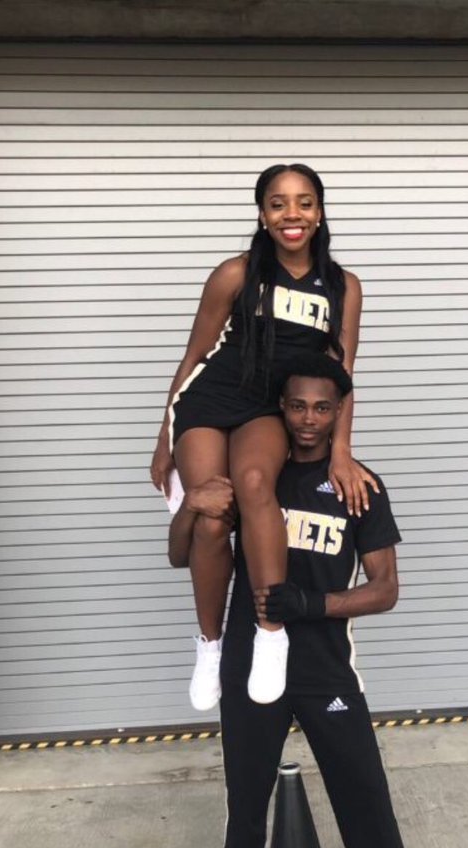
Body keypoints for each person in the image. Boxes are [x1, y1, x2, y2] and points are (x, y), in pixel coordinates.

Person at [168, 351, 451, 848]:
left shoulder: (358, 485)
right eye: (296, 405)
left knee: (363, 793)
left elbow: (385, 590)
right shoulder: (252, 475)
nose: (307, 420)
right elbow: (181, 556)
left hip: (324, 667)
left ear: (338, 411)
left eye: (322, 407)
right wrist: (192, 501)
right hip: (251, 660)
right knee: (246, 802)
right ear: (280, 406)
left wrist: (314, 604)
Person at [150, 163, 376, 711]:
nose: (291, 214)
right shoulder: (236, 272)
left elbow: (342, 372)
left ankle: (270, 632)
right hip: (211, 399)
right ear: (262, 213)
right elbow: (195, 355)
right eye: (278, 203)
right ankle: (210, 644)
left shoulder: (343, 286)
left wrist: (341, 450)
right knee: (210, 512)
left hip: (269, 404)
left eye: (303, 202)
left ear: (319, 212)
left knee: (253, 483)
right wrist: (164, 437)